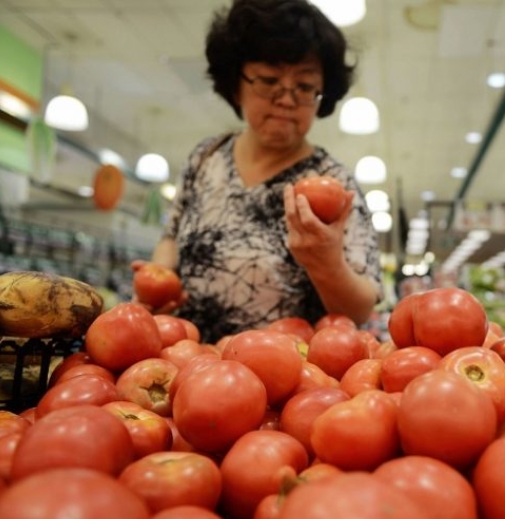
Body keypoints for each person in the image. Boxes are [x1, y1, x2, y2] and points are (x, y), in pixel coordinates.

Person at [134, 0, 383, 344]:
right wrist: (159, 279)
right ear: (236, 84)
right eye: (268, 80)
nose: (287, 99)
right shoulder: (206, 158)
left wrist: (326, 264)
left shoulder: (334, 184)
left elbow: (360, 309)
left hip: (289, 368)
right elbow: (172, 236)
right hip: (191, 360)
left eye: (304, 87)